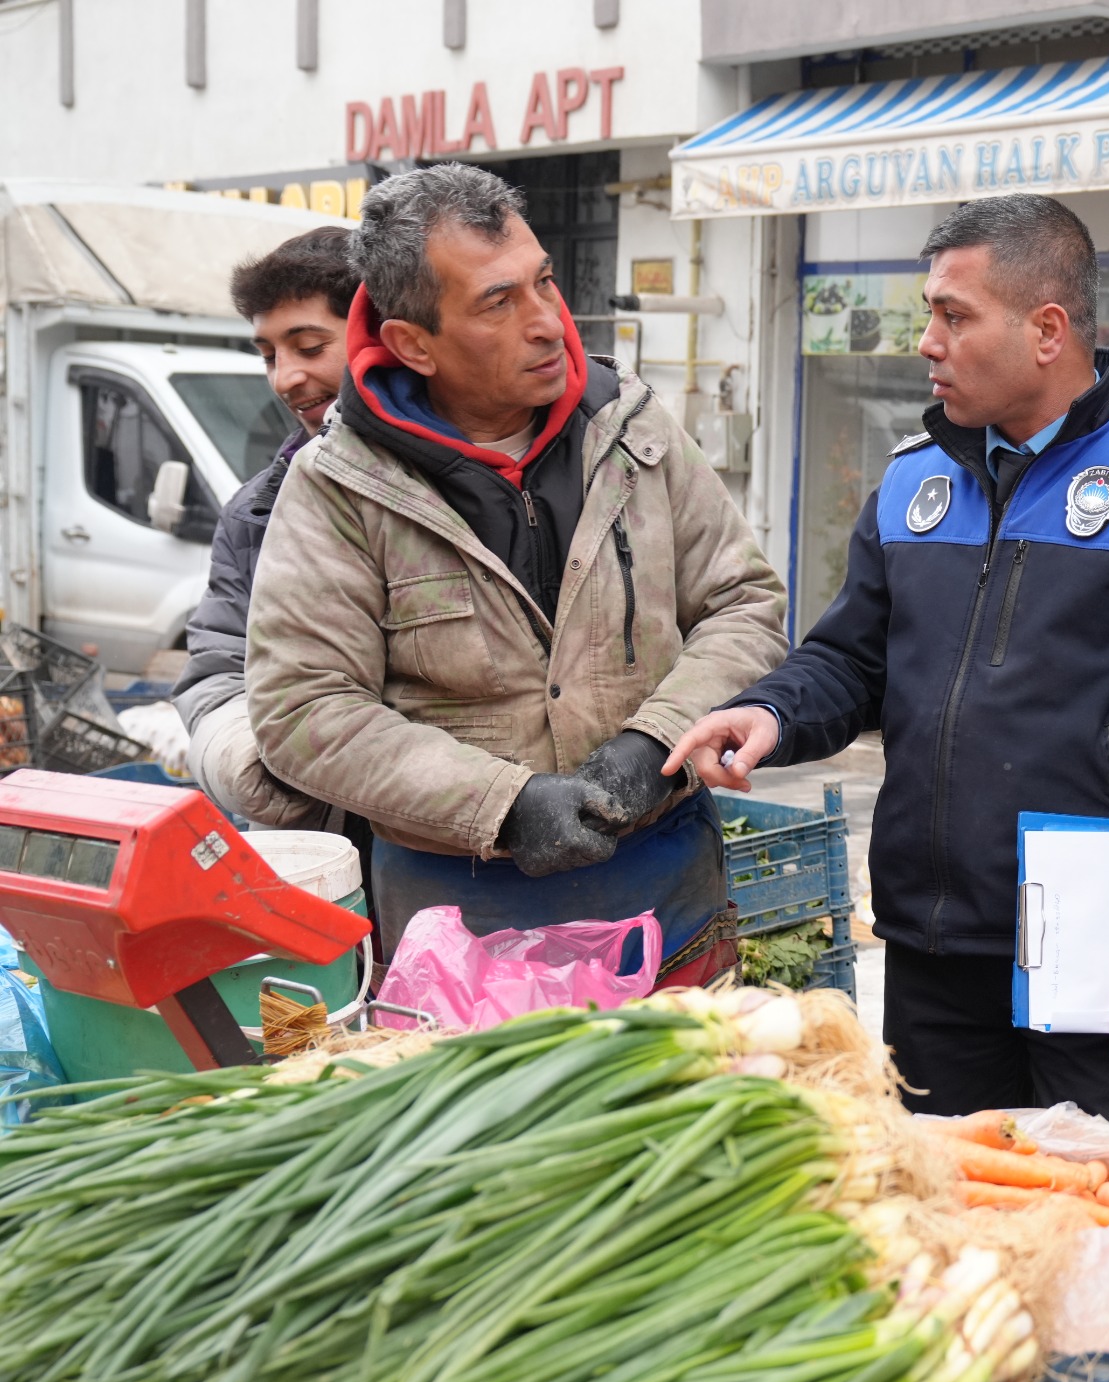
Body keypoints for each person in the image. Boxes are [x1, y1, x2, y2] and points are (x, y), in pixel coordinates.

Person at [663, 195, 1109, 1147]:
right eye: (929, 314)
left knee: (1104, 1238)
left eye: (955, 316)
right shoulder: (914, 480)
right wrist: (772, 714)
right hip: (931, 953)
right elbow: (849, 656)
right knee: (944, 1226)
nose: (927, 342)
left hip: (1100, 969)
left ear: (1047, 330)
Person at [247, 164, 787, 983]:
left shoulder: (631, 426)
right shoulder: (338, 485)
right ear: (411, 344)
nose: (547, 324)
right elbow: (303, 708)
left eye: (544, 283)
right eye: (497, 303)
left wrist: (657, 738)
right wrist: (505, 803)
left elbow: (744, 603)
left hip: (666, 892)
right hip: (463, 930)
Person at [173, 226, 356, 829]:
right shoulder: (255, 512)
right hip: (315, 853)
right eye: (270, 354)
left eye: (308, 347)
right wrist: (248, 761)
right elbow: (218, 668)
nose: (283, 379)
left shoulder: (468, 481)